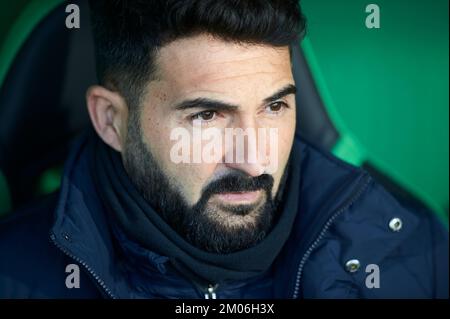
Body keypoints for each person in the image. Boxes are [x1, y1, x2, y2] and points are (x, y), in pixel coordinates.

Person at [0, 0, 447, 299]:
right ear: (111, 120)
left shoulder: (408, 252)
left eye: (274, 107)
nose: (254, 161)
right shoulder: (12, 275)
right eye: (206, 117)